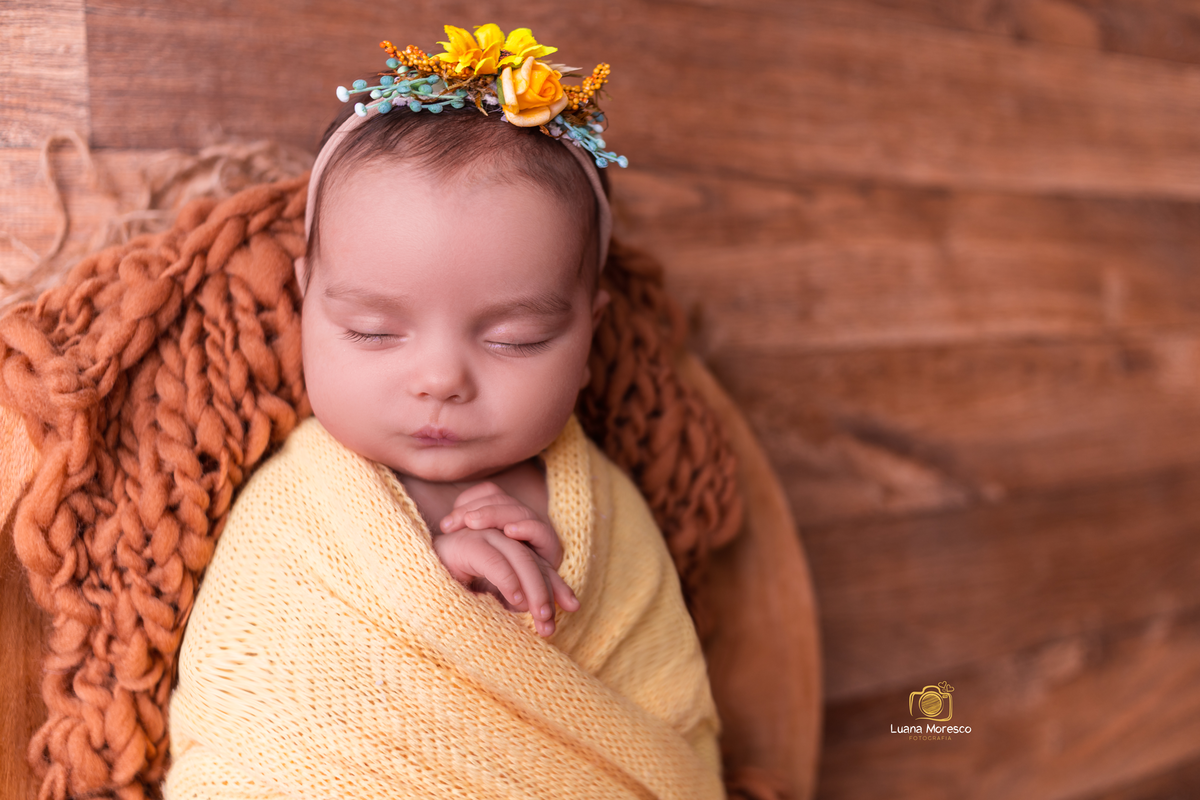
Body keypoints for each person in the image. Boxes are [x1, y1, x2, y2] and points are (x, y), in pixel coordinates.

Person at [163, 24, 726, 800]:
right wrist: (439, 596)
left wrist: (535, 604)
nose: (439, 379)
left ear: (590, 332)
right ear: (305, 301)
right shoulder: (297, 514)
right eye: (373, 330)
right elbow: (256, 699)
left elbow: (669, 726)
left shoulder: (614, 514)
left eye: (515, 339)